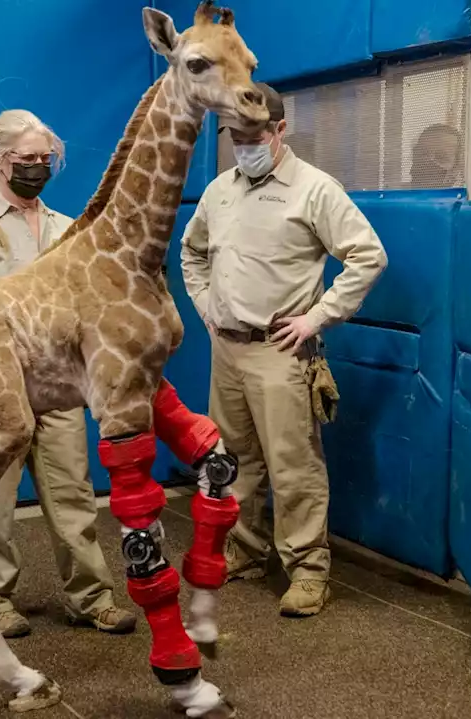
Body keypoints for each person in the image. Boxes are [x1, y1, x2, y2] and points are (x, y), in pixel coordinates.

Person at [179, 82, 388, 618]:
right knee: (232, 460)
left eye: (253, 134)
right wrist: (206, 306)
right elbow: (192, 251)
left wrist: (318, 317)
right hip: (226, 348)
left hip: (280, 350)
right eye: (234, 135)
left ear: (279, 129)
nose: (243, 144)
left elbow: (368, 256)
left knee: (293, 465)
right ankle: (246, 551)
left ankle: (308, 570)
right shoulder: (219, 190)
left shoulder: (314, 189)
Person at [0, 109, 136, 639]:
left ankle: (90, 597)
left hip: (57, 387)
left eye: (45, 159)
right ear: (0, 161)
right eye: (26, 159)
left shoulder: (66, 228)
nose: (37, 168)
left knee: (73, 493)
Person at [408, 123, 464, 188]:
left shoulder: (462, 196)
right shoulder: (398, 194)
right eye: (423, 154)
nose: (427, 162)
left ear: (455, 168)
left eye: (441, 157)